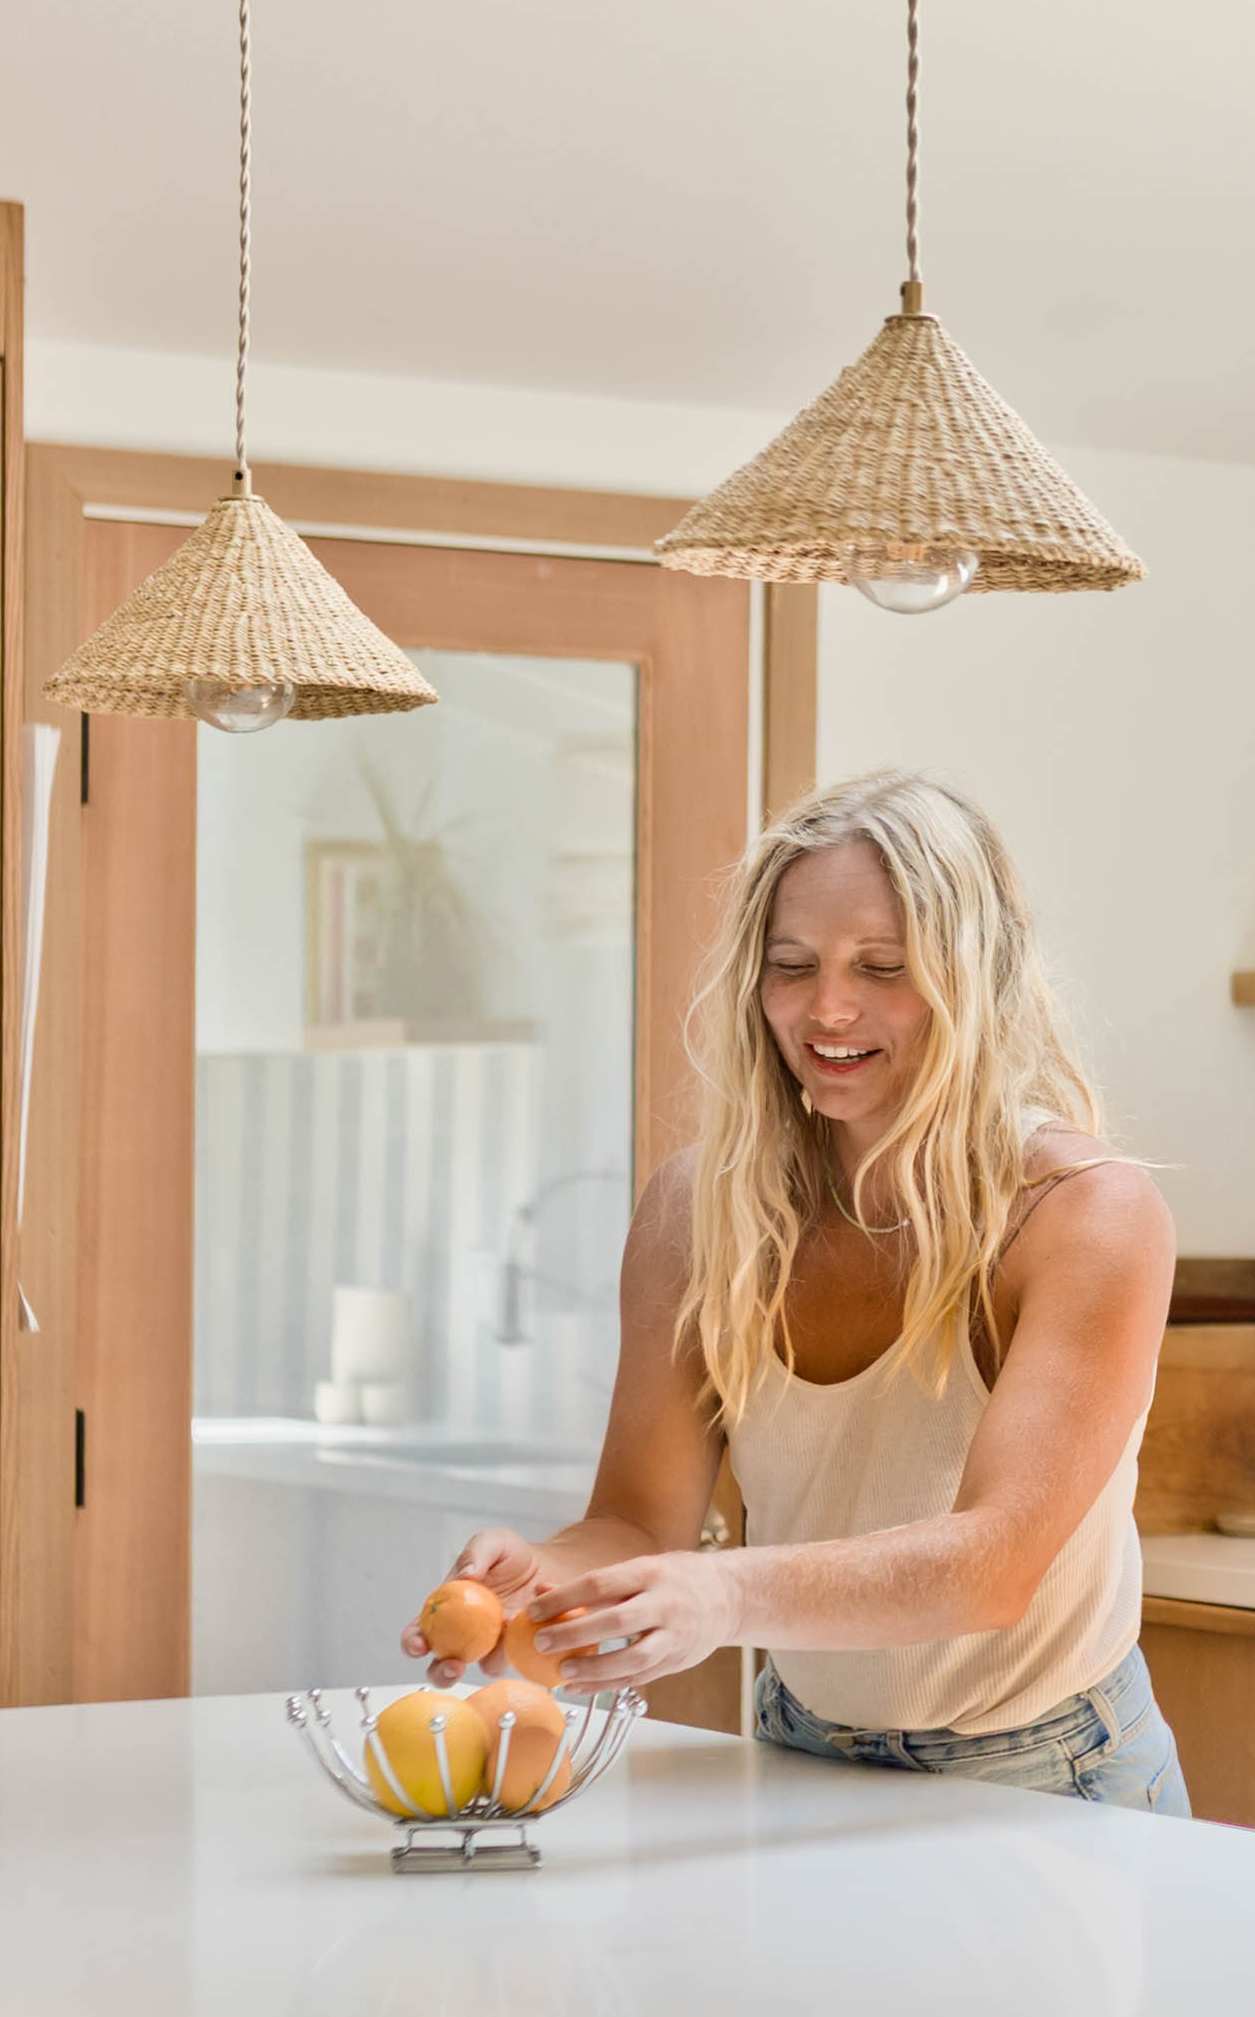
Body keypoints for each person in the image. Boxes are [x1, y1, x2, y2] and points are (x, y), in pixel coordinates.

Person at [409, 768, 1188, 1811]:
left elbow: (991, 1567)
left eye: (883, 965)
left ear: (975, 976)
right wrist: (544, 1573)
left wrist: (722, 1593)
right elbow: (641, 1521)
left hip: (1046, 1772)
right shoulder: (698, 1210)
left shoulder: (1083, 1214)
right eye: (791, 964)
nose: (827, 1007)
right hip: (795, 1750)